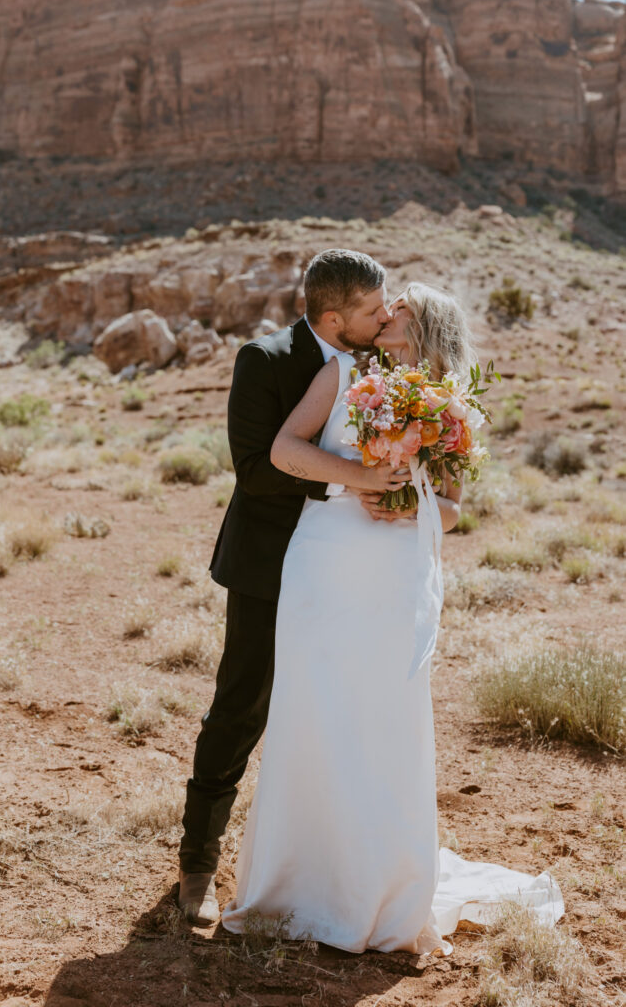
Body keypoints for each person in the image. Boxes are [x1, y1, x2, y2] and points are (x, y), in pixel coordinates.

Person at [220, 282, 564, 953]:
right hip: (324, 558)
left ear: (421, 319)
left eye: (397, 303)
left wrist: (409, 506)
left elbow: (451, 508)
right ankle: (295, 882)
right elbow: (285, 452)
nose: (384, 311)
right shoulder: (343, 372)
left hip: (391, 571)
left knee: (380, 713)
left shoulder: (451, 405)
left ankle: (377, 884)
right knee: (313, 708)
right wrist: (361, 481)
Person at [178, 249, 411, 924]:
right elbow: (254, 468)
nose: (384, 315)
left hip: (348, 565)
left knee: (334, 711)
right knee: (242, 706)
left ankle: (324, 864)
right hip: (269, 563)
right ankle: (197, 867)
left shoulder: (378, 362)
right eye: (372, 309)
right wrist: (353, 480)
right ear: (334, 316)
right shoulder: (266, 359)